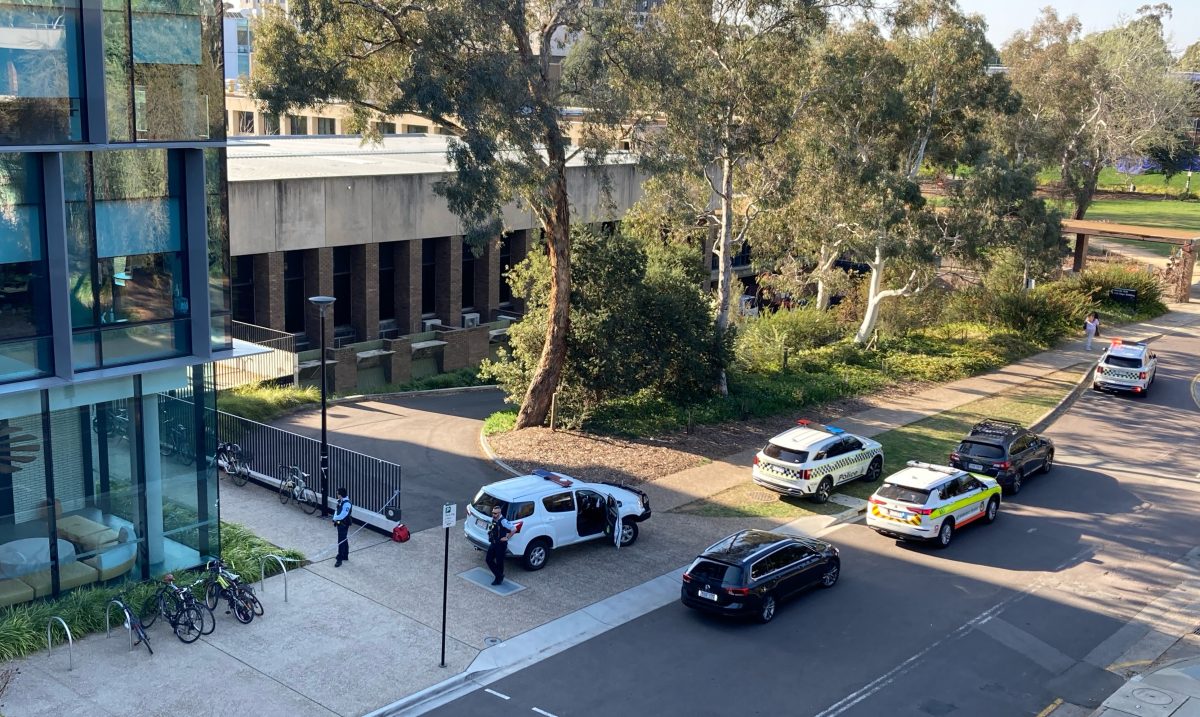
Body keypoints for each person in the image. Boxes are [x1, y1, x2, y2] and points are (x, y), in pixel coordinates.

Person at [485, 504, 513, 586]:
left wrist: (507, 537)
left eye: (495, 513)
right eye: (493, 513)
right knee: (488, 559)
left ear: (500, 513)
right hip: (493, 543)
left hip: (501, 545)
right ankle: (500, 575)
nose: (493, 515)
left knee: (499, 562)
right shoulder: (494, 519)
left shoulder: (503, 521)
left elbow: (514, 529)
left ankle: (498, 579)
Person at [332, 487, 352, 567]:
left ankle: (340, 559)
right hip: (339, 523)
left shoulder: (347, 503)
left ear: (340, 495)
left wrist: (335, 518)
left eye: (337, 494)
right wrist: (335, 517)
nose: (337, 495)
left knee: (341, 540)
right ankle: (345, 555)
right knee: (344, 539)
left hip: (344, 524)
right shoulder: (340, 501)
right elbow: (336, 510)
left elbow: (343, 515)